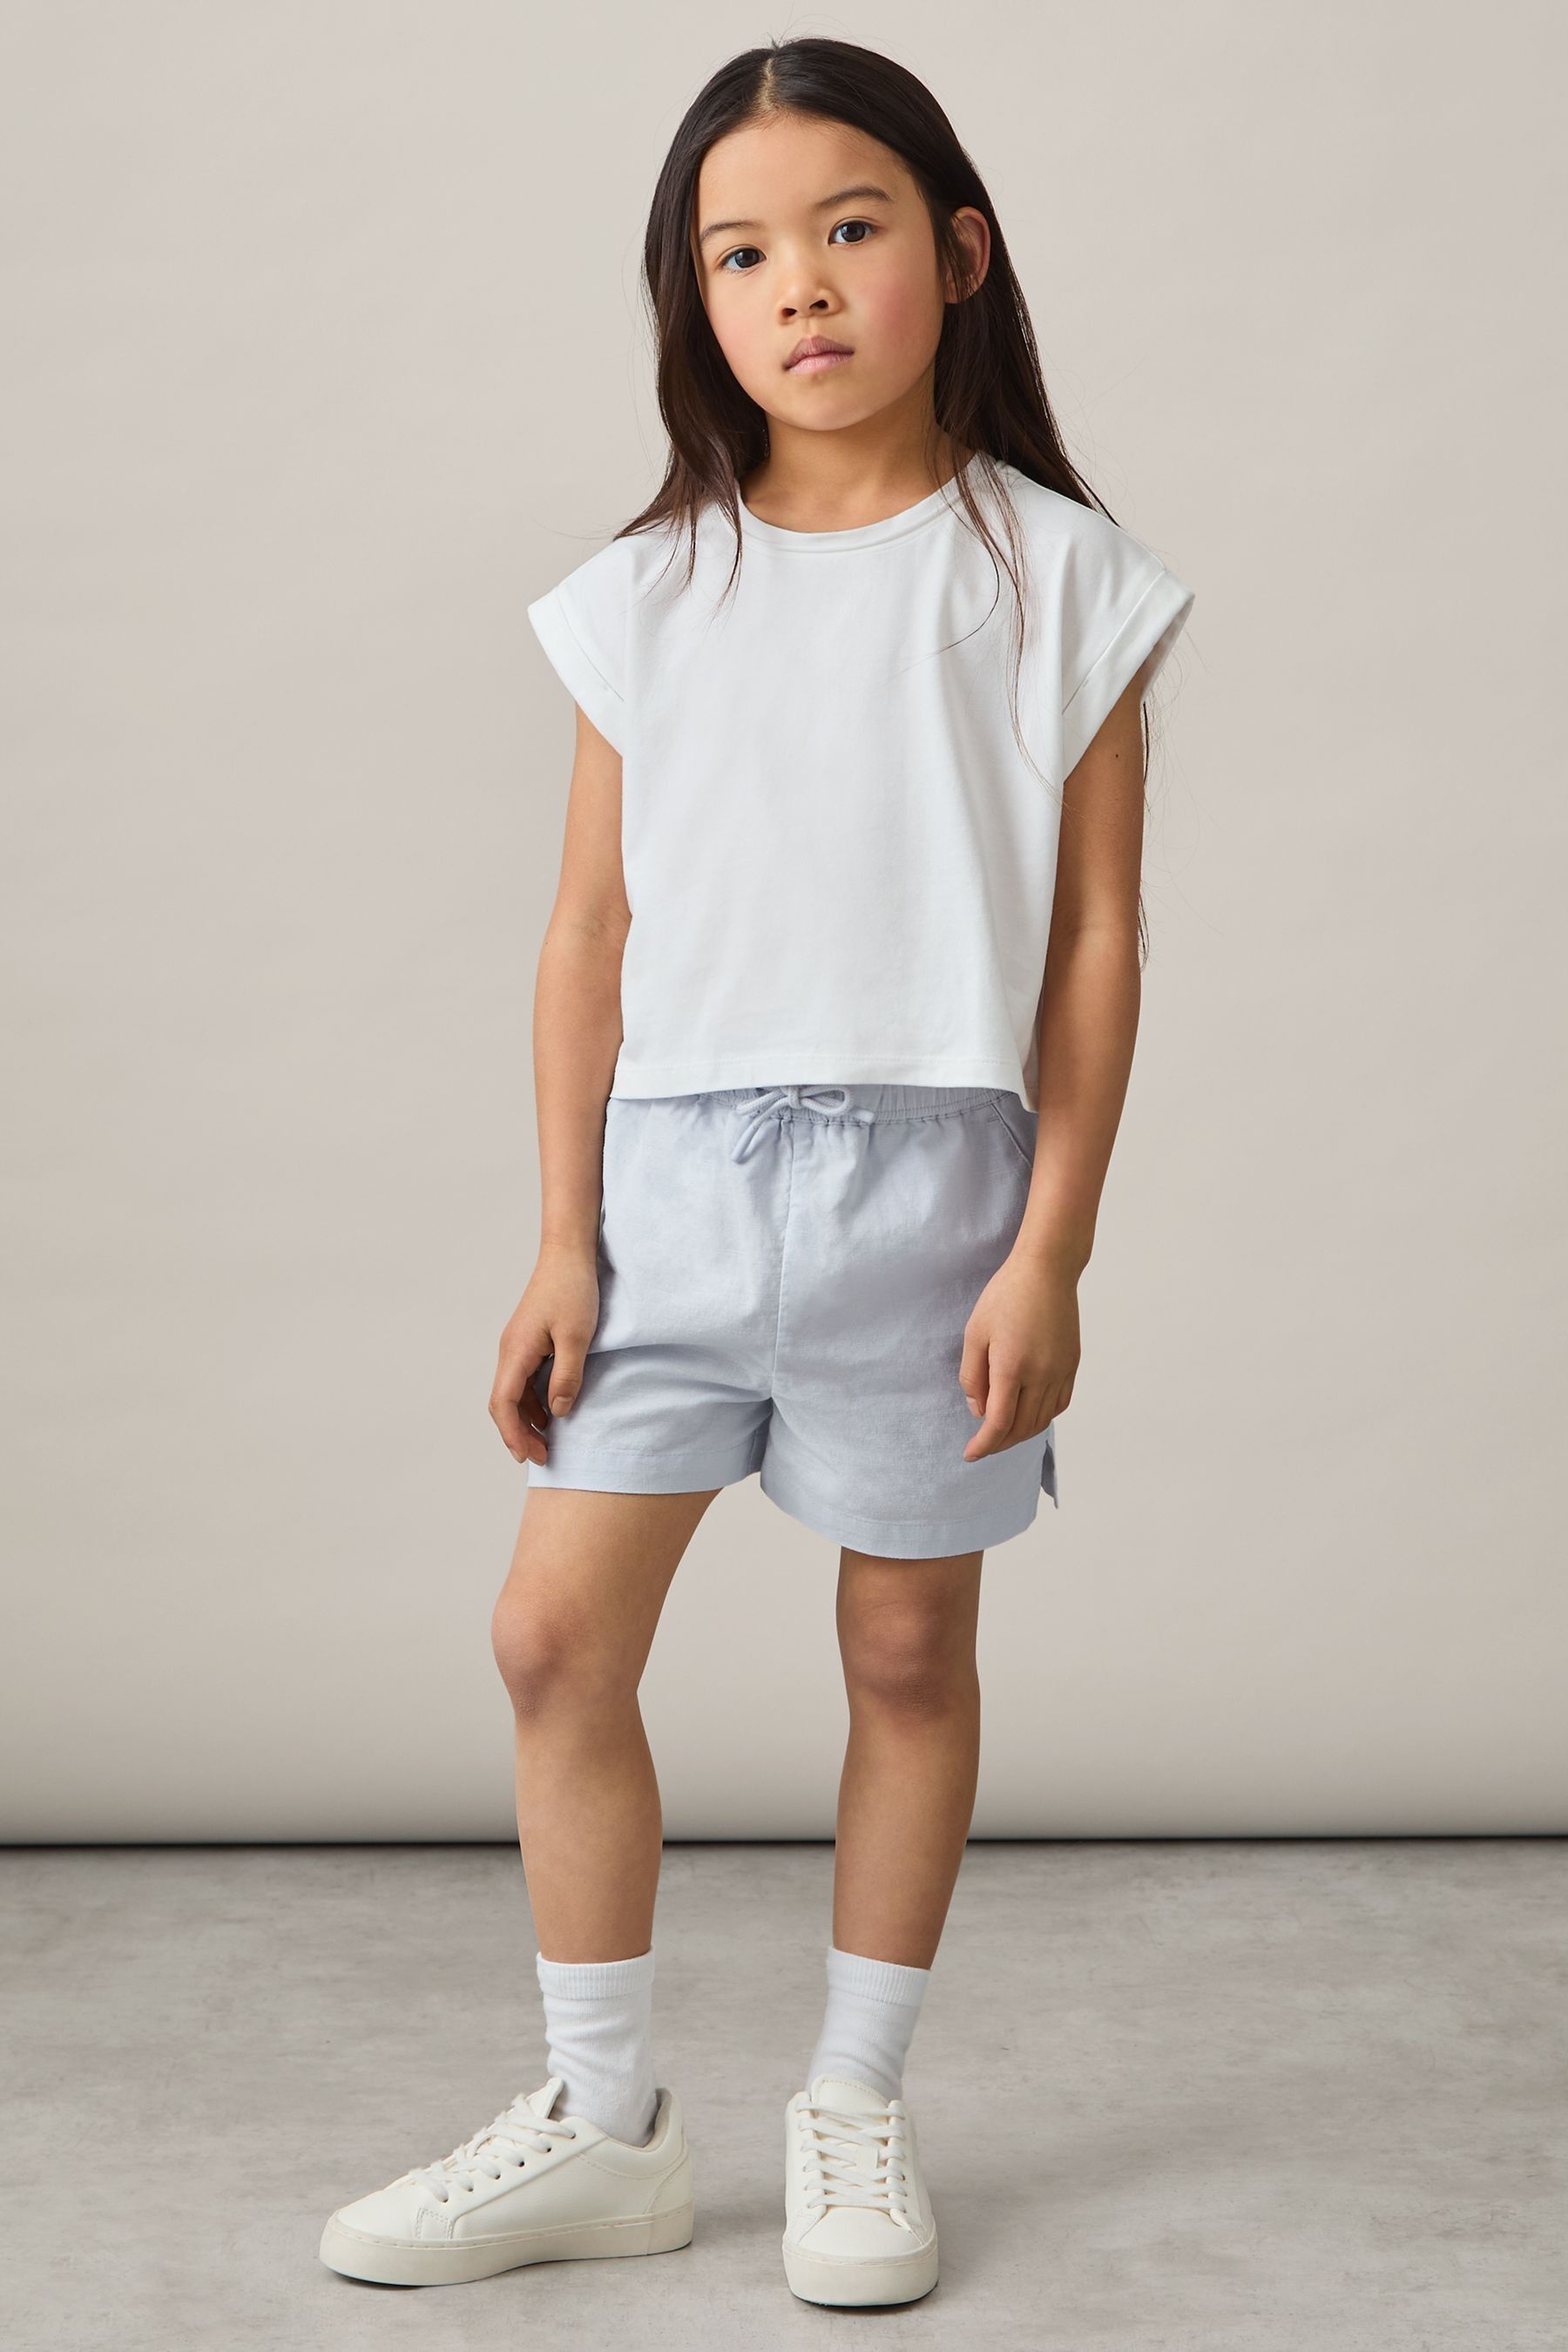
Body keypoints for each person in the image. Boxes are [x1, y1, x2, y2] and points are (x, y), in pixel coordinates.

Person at [319, 32, 1194, 2309]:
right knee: (549, 1636)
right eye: (738, 252)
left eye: (848, 227)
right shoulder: (649, 593)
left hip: (936, 1191)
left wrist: (1053, 1246)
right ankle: (603, 2118)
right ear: (690, 301)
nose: (795, 282)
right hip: (676, 1192)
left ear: (958, 255)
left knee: (904, 1647)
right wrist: (562, 1236)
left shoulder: (1061, 577)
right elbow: (587, 931)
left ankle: (856, 2099)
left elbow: (1097, 942)